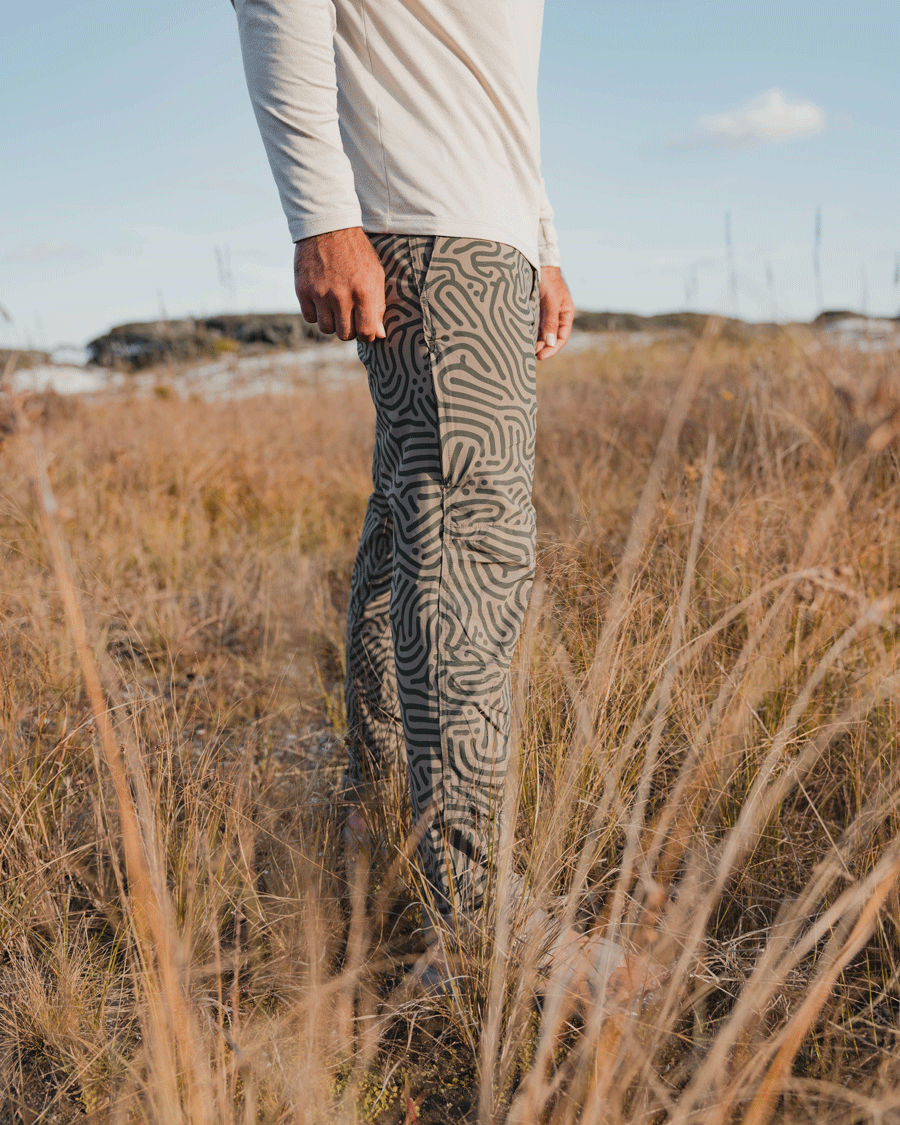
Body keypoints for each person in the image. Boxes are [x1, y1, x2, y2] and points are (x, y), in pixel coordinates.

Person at [232, 0, 575, 949]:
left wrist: (538, 238)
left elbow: (495, 72)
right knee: (473, 543)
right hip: (427, 224)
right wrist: (323, 216)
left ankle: (375, 814)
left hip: (486, 231)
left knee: (406, 535)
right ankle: (475, 920)